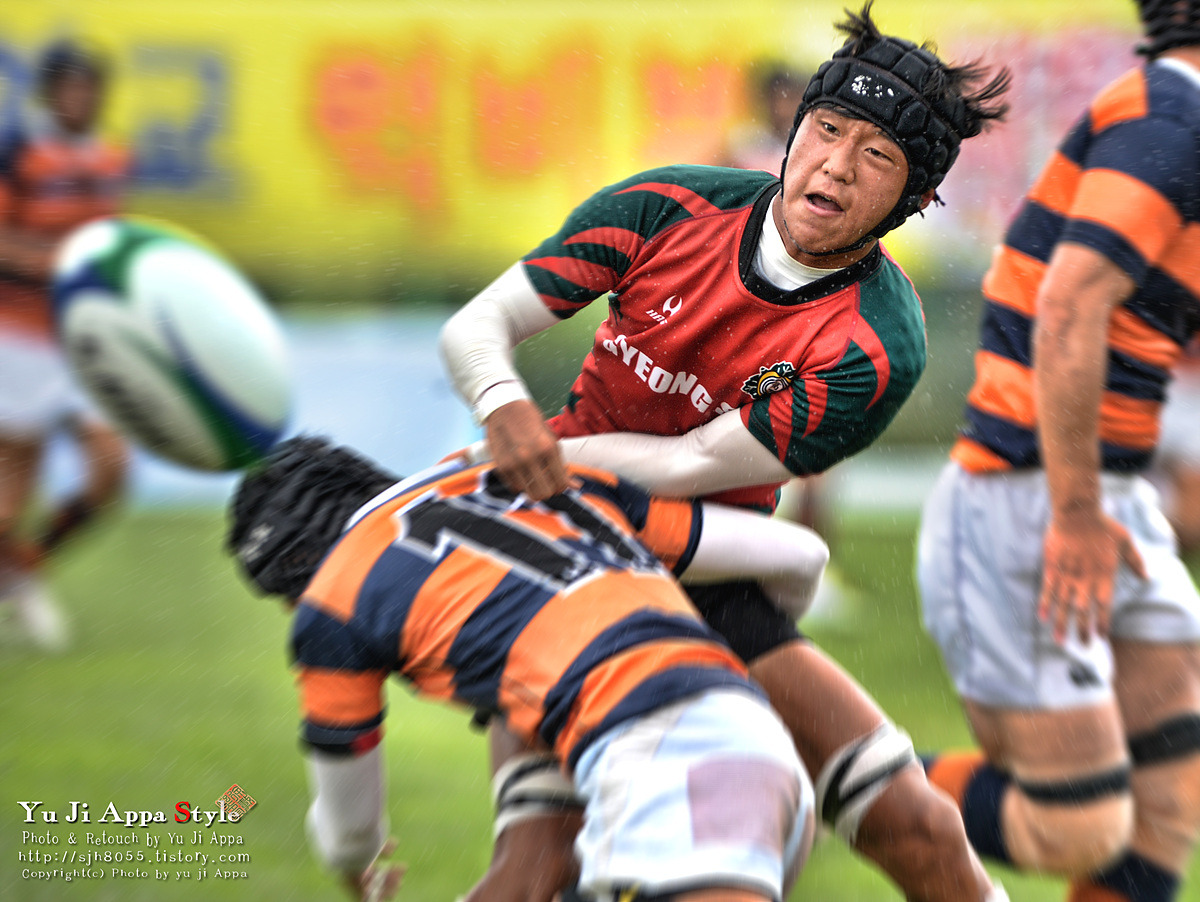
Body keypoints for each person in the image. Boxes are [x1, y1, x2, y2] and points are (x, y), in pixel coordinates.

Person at [439, 4, 1012, 900]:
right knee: (537, 865)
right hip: (571, 552)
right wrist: (504, 405)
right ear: (794, 129)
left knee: (924, 831)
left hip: (708, 568)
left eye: (878, 156)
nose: (836, 165)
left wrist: (541, 455)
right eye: (828, 129)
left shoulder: (880, 341)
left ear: (913, 198)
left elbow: (696, 466)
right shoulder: (668, 205)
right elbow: (479, 327)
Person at [226, 436, 828, 902]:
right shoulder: (532, 481)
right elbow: (799, 555)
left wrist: (355, 866)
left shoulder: (335, 598)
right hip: (759, 751)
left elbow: (350, 834)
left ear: (297, 568)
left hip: (663, 775)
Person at [917, 3, 1200, 900]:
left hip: (1101, 493)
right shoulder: (1172, 118)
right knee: (1073, 824)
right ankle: (802, 767)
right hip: (1031, 497)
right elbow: (1070, 305)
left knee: (1168, 805)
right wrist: (1075, 514)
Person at [0, 40, 129, 649]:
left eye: (90, 87)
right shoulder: (20, 151)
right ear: (50, 92)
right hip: (21, 339)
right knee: (10, 496)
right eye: (70, 87)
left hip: (85, 340)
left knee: (110, 469)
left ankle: (27, 566)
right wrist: (59, 262)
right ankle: (19, 575)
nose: (81, 98)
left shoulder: (111, 157)